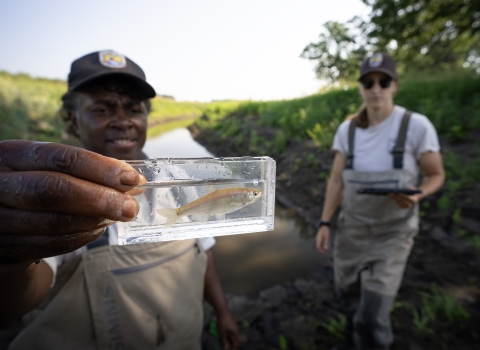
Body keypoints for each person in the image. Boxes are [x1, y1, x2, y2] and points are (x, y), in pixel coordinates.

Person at [0, 50, 239, 349]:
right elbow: (12, 307)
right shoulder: (52, 195)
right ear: (74, 120)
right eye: (102, 110)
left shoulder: (182, 181)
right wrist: (9, 260)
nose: (122, 121)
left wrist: (223, 312)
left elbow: (204, 251)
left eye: (134, 109)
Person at [315, 53, 445, 350]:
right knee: (347, 297)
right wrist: (324, 222)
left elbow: (436, 174)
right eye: (368, 82)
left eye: (383, 82)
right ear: (360, 87)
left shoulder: (416, 126)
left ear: (395, 86)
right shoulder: (347, 131)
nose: (376, 88)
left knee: (373, 314)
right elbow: (336, 181)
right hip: (353, 231)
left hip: (393, 234)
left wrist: (418, 194)